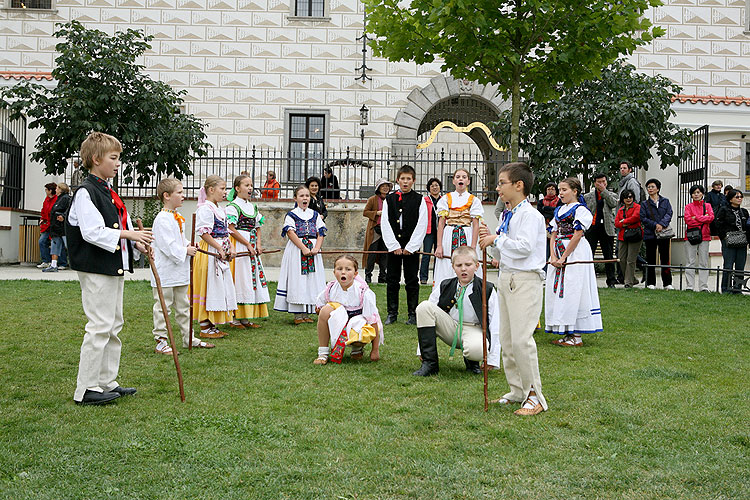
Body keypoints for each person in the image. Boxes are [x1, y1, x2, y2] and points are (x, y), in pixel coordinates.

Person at [65, 131, 152, 405]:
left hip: (111, 267)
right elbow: (93, 232)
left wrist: (135, 244)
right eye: (113, 158)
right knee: (99, 325)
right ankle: (86, 388)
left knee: (114, 324)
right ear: (95, 159)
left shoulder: (107, 191)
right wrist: (128, 236)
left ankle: (106, 382)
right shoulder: (85, 192)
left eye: (118, 158)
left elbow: (116, 227)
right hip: (95, 268)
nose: (117, 164)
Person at [479, 162, 548, 416]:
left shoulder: (531, 215)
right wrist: (491, 240)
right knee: (506, 340)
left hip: (525, 281)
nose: (498, 188)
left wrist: (497, 239)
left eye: (502, 183)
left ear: (519, 185)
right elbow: (504, 249)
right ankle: (517, 389)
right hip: (506, 277)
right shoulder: (509, 214)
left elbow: (525, 247)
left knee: (521, 340)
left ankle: (535, 395)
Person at [412, 246, 500, 377]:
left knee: (477, 349)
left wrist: (492, 358)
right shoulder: (445, 285)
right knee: (424, 307)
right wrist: (422, 351)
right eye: (459, 265)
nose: (463, 269)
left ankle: (472, 362)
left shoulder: (487, 289)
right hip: (451, 327)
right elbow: (428, 312)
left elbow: (495, 323)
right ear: (453, 267)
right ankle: (429, 363)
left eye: (468, 265)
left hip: (474, 329)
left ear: (476, 266)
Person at [151, 178, 214, 354]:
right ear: (166, 196)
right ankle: (161, 341)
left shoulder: (175, 217)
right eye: (179, 192)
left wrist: (190, 245)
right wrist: (185, 250)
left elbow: (179, 240)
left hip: (179, 271)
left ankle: (189, 338)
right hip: (165, 272)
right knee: (163, 307)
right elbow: (168, 246)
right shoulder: (162, 219)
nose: (183, 196)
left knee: (184, 306)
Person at [544, 177, 603, 347]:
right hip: (559, 250)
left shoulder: (581, 211)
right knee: (559, 291)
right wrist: (554, 256)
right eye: (559, 190)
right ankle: (566, 331)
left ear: (575, 191)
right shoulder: (560, 210)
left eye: (564, 190)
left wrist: (564, 257)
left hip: (575, 252)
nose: (560, 193)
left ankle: (577, 335)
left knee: (574, 289)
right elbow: (553, 234)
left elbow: (577, 235)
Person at [381, 165, 429, 325]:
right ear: (398, 180)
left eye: (409, 179)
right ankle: (392, 313)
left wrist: (412, 246)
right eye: (403, 179)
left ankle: (412, 314)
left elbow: (422, 223)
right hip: (393, 245)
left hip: (411, 246)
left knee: (412, 280)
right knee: (392, 279)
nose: (405, 182)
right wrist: (393, 245)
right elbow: (385, 223)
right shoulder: (389, 199)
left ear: (413, 181)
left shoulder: (419, 199)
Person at [313, 254, 382, 365]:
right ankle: (323, 353)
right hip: (338, 322)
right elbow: (319, 305)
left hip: (358, 323)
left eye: (348, 269)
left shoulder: (363, 292)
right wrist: (321, 311)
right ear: (334, 272)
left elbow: (373, 321)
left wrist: (375, 350)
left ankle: (357, 348)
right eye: (339, 269)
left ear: (355, 274)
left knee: (359, 327)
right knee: (325, 310)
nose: (343, 272)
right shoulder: (330, 288)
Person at [191, 175, 238, 338]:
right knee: (208, 285)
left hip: (220, 250)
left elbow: (225, 232)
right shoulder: (205, 209)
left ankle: (212, 325)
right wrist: (219, 248)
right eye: (222, 188)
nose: (225, 192)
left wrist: (230, 246)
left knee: (218, 287)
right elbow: (204, 233)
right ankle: (204, 327)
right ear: (211, 190)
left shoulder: (219, 209)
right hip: (209, 252)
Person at [273, 185, 327, 324]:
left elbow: (321, 232)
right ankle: (298, 314)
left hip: (313, 251)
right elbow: (290, 232)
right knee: (298, 279)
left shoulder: (315, 215)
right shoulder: (291, 215)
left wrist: (316, 248)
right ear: (295, 198)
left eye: (307, 196)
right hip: (297, 251)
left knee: (311, 279)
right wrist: (303, 248)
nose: (305, 198)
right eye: (301, 196)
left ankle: (307, 312)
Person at [226, 174, 270, 328]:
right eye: (246, 185)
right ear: (237, 188)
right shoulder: (232, 207)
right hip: (239, 245)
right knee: (240, 277)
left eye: (251, 185)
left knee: (250, 280)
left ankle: (245, 317)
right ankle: (234, 318)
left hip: (251, 245)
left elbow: (257, 226)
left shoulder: (252, 206)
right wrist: (247, 244)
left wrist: (257, 243)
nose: (250, 188)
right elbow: (230, 228)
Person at [432, 169, 484, 288]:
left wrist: (473, 246)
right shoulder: (445, 199)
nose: (461, 179)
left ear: (468, 181)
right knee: (446, 262)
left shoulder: (474, 200)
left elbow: (476, 224)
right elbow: (441, 223)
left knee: (468, 261)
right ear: (454, 181)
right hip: (449, 234)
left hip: (466, 232)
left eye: (464, 177)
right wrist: (439, 245)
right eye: (458, 177)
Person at [583, 174, 618, 288]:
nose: (601, 184)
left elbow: (613, 203)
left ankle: (611, 280)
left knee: (608, 255)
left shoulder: (611, 195)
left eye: (603, 181)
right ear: (595, 183)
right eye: (599, 182)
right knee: (589, 254)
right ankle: (588, 280)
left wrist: (604, 191)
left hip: (606, 228)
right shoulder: (588, 196)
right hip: (592, 228)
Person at [640, 178, 674, 290]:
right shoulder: (645, 204)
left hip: (663, 234)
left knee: (665, 258)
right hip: (650, 234)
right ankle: (651, 283)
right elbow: (643, 218)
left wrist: (662, 224)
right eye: (648, 187)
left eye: (652, 186)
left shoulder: (665, 201)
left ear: (658, 188)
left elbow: (669, 213)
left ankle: (667, 283)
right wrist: (655, 225)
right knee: (650, 259)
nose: (650, 189)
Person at [714, 189, 749, 294]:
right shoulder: (724, 210)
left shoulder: (744, 212)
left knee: (740, 266)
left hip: (742, 242)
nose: (739, 199)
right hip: (728, 241)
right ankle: (726, 289)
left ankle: (737, 289)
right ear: (730, 199)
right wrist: (724, 236)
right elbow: (718, 225)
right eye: (736, 197)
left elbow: (748, 226)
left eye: (741, 197)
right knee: (728, 266)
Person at [684, 184, 714, 292]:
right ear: (691, 195)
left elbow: (711, 218)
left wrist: (695, 217)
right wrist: (703, 218)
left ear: (702, 193)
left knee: (703, 262)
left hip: (705, 236)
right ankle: (689, 286)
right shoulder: (688, 206)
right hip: (690, 236)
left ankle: (703, 287)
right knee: (690, 261)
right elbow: (688, 220)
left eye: (698, 192)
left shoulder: (708, 206)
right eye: (694, 193)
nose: (696, 195)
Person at [362, 178, 391, 284]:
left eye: (387, 186)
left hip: (387, 230)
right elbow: (365, 212)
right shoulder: (372, 199)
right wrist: (377, 213)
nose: (385, 188)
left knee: (385, 254)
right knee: (372, 253)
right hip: (374, 230)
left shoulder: (390, 199)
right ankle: (368, 275)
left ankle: (383, 276)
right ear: (378, 188)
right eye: (383, 186)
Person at [614, 189, 643, 288]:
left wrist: (624, 222)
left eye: (630, 197)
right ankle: (633, 279)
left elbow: (636, 217)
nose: (628, 199)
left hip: (635, 236)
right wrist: (626, 223)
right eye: (626, 197)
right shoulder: (621, 210)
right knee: (621, 259)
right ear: (623, 199)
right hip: (623, 236)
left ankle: (628, 283)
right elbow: (617, 223)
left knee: (631, 259)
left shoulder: (637, 207)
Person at [43, 182, 72, 273]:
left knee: (69, 245)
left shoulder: (66, 199)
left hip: (62, 227)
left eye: (57, 188)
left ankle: (80, 263)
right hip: (56, 227)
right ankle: (53, 265)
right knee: (55, 246)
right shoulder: (59, 199)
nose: (55, 190)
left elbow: (70, 209)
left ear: (60, 189)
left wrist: (63, 216)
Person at [419, 177, 442, 285]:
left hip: (440, 231)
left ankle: (437, 277)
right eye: (432, 186)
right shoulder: (425, 200)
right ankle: (423, 278)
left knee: (439, 255)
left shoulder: (444, 200)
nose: (434, 187)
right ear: (429, 188)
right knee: (426, 255)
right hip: (429, 231)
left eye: (436, 185)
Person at [37, 182, 58, 269]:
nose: (45, 191)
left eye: (46, 189)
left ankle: (61, 262)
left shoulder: (56, 199)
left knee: (57, 242)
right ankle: (46, 261)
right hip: (46, 225)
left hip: (54, 225)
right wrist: (42, 218)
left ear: (50, 190)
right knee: (42, 241)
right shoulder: (46, 199)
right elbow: (44, 210)